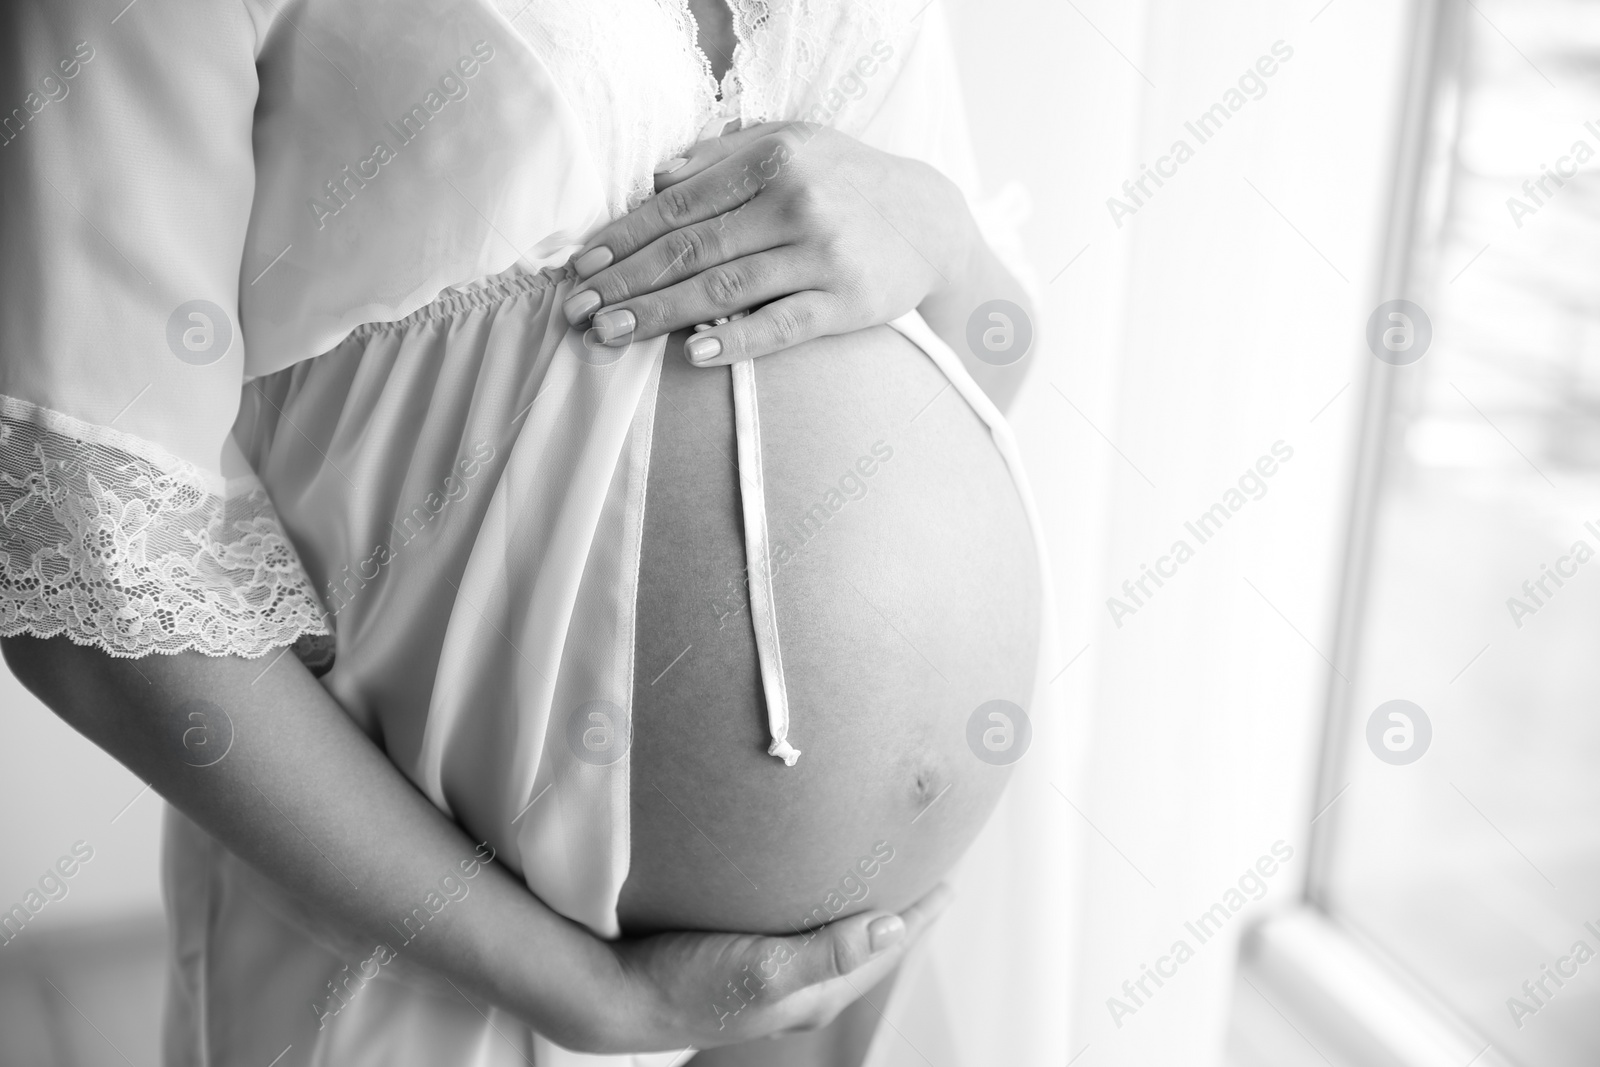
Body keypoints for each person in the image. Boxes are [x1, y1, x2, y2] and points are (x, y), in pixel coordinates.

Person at [0, 1, 1064, 1063]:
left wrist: (937, 231)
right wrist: (588, 993)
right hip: (449, 957)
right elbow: (86, 541)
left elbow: (980, 361)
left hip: (856, 967)